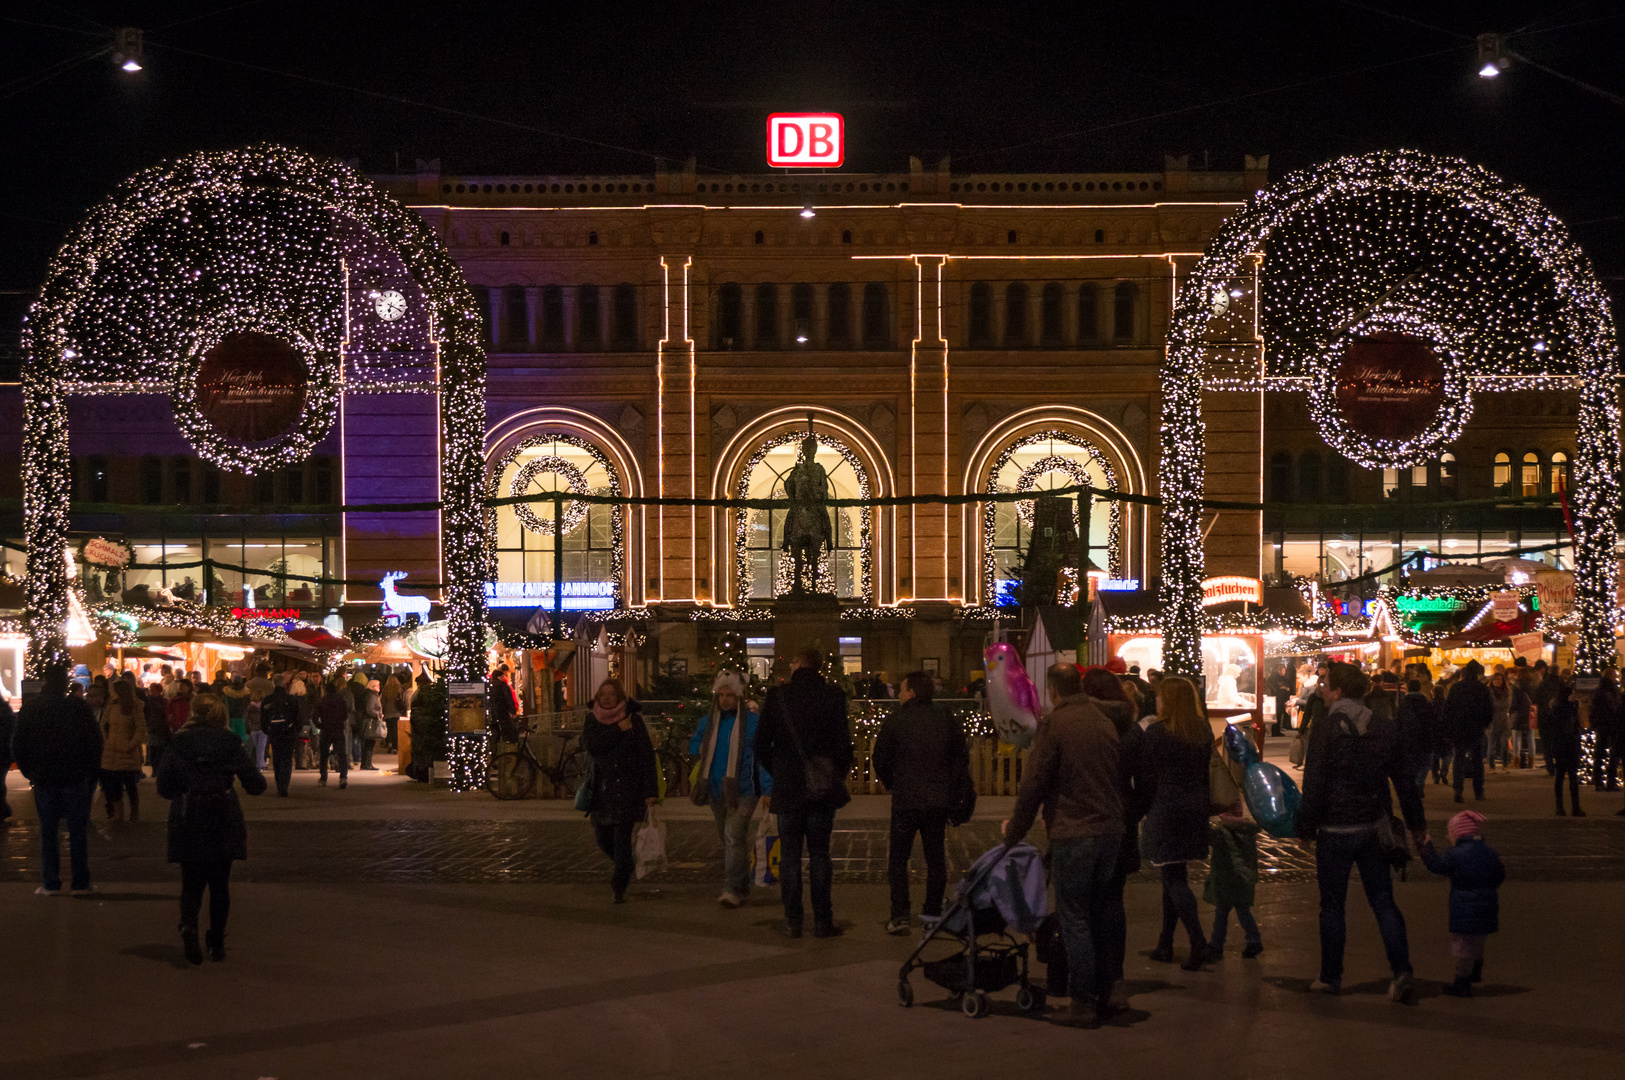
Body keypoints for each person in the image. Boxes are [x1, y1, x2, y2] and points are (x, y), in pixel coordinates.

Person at [1297, 662, 1427, 1002]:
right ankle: (1402, 972)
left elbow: (1314, 782)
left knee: (1332, 906)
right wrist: (1417, 826)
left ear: (1339, 691)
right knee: (1383, 903)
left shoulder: (1325, 728)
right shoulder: (1383, 727)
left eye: (1326, 684)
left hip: (1334, 828)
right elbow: (1405, 782)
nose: (1321, 688)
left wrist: (1305, 828)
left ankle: (1330, 977)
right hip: (1372, 826)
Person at [1003, 662, 1122, 1029]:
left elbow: (1035, 782)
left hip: (1075, 830)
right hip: (1110, 831)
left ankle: (1083, 1001)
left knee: (1075, 918)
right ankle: (1106, 991)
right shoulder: (1104, 721)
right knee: (1101, 913)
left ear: (1053, 690)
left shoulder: (1056, 725)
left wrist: (1014, 832)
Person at [157, 689, 267, 963]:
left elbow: (163, 785)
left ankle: (189, 926)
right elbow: (255, 785)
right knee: (220, 884)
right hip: (221, 814)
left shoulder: (179, 742)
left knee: (191, 882)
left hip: (188, 813)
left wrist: (184, 790)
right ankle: (216, 941)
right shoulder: (229, 742)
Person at [756, 647, 853, 939]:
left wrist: (780, 771)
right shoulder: (833, 696)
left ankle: (793, 920)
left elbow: (761, 744)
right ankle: (823, 921)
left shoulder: (778, 697)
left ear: (797, 665)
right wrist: (832, 773)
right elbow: (844, 746)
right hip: (820, 788)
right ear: (820, 666)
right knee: (820, 854)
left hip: (788, 787)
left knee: (790, 855)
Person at [873, 670, 968, 934]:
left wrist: (891, 782)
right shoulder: (945, 718)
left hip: (906, 799)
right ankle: (932, 913)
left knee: (899, 858)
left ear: (912, 692)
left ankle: (900, 914)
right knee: (935, 858)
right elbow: (960, 756)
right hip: (938, 799)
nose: (899, 695)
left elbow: (880, 757)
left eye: (902, 690)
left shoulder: (897, 720)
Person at [1076, 665, 1148, 1011]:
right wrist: (1128, 813)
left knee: (1080, 906)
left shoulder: (1082, 727)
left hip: (1082, 824)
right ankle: (1113, 977)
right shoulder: (1131, 730)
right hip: (1119, 827)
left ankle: (1087, 982)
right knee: (1112, 903)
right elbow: (1146, 785)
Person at [1141, 676, 1214, 971]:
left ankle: (1198, 942)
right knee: (1173, 874)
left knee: (1173, 879)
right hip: (1195, 806)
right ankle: (1165, 942)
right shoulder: (1202, 730)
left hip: (1167, 808)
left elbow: (1146, 774)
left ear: (1167, 701)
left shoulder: (1157, 733)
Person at [12, 664, 103, 895]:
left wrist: (29, 772)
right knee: (77, 831)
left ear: (45, 680)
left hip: (44, 776)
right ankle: (80, 882)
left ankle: (50, 882)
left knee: (49, 830)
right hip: (74, 776)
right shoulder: (78, 708)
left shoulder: (32, 708)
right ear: (65, 682)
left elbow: (18, 744)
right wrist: (90, 772)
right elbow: (95, 742)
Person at [687, 670, 772, 908]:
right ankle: (742, 885)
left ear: (739, 697)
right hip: (716, 788)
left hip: (744, 788)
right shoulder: (709, 721)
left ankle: (732, 889)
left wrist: (767, 789)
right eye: (721, 694)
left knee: (733, 835)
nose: (724, 699)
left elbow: (763, 758)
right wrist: (700, 748)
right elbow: (695, 744)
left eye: (730, 695)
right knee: (729, 840)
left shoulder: (752, 723)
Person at [581, 679, 658, 903]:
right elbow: (594, 746)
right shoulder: (592, 720)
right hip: (602, 790)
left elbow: (646, 756)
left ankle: (618, 887)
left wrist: (650, 790)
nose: (606, 698)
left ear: (620, 697)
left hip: (628, 789)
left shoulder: (633, 720)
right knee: (602, 837)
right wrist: (617, 730)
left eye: (611, 694)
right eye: (602, 694)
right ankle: (625, 865)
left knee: (621, 839)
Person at [1418, 810, 1505, 997]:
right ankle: (1476, 969)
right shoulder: (1489, 852)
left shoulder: (1455, 854)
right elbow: (1499, 875)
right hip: (1487, 904)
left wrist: (1426, 848)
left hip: (1464, 905)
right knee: (1479, 939)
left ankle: (1462, 982)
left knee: (1464, 944)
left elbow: (1437, 866)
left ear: (1458, 833)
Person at [1204, 808, 1263, 962]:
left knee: (1221, 912)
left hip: (1227, 880)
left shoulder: (1221, 833)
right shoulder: (1247, 831)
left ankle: (1216, 945)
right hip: (1244, 879)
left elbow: (1206, 836)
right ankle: (1254, 940)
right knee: (1243, 911)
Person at [1443, 660, 1492, 803]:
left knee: (1458, 758)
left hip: (1459, 728)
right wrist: (1484, 724)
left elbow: (1448, 709)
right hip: (1476, 728)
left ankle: (1458, 789)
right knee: (1477, 760)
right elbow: (1489, 709)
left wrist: (1449, 727)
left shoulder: (1456, 688)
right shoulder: (1481, 688)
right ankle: (1478, 791)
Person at [98, 678, 146, 821]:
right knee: (113, 785)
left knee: (131, 785)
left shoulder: (135, 706)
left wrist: (130, 745)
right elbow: (103, 725)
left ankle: (134, 813)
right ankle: (118, 814)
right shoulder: (111, 706)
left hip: (127, 753)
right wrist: (106, 741)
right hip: (111, 751)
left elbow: (140, 728)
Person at [261, 675, 303, 797]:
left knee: (277, 758)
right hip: (289, 733)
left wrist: (267, 730)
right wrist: (295, 730)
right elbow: (298, 717)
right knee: (287, 758)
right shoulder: (292, 699)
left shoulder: (268, 700)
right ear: (285, 685)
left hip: (274, 733)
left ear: (274, 684)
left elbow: (263, 717)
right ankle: (284, 785)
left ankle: (280, 784)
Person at [1548, 679, 1585, 817]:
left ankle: (1563, 807)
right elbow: (1571, 727)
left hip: (1563, 745)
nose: (1575, 696)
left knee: (1562, 776)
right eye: (1573, 694)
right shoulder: (1566, 709)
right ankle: (1571, 807)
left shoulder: (1559, 708)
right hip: (1567, 744)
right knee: (1568, 776)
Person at [1396, 679, 1437, 797]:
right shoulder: (1426, 703)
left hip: (1407, 738)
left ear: (1408, 688)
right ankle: (1419, 782)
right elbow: (1432, 720)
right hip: (1424, 737)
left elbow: (1398, 722)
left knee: (1411, 763)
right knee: (1424, 763)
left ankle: (1414, 783)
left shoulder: (1403, 703)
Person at [316, 678, 351, 788]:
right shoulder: (341, 701)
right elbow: (345, 715)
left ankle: (323, 778)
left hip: (326, 728)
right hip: (338, 728)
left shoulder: (322, 700)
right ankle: (343, 777)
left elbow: (314, 715)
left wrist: (319, 725)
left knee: (324, 754)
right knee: (341, 754)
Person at [1590, 669, 1621, 792]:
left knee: (1600, 753)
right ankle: (1610, 781)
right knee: (1613, 754)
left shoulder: (1599, 690)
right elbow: (1613, 708)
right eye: (1615, 675)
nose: (1616, 678)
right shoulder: (1611, 690)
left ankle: (1598, 781)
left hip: (1601, 725)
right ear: (1611, 676)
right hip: (1610, 725)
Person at [1487, 671, 1512, 772]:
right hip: (1492, 721)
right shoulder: (1489, 692)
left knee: (1504, 744)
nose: (1497, 681)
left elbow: (1508, 704)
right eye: (1495, 679)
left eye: (1499, 679)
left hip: (1503, 720)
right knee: (1491, 744)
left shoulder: (1507, 691)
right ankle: (1491, 766)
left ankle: (1505, 765)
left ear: (1503, 681)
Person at [356, 679, 384, 770]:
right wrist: (379, 714)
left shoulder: (369, 694)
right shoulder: (371, 696)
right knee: (369, 743)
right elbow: (369, 709)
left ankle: (365, 764)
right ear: (372, 687)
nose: (379, 687)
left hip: (366, 721)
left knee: (367, 743)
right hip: (369, 722)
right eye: (377, 685)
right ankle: (368, 764)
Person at [1509, 670, 1534, 770]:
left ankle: (1516, 761)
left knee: (1516, 737)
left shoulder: (1516, 688)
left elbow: (1514, 702)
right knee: (1530, 737)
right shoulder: (1532, 686)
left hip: (1519, 714)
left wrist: (1510, 711)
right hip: (1530, 714)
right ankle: (1531, 762)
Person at [381, 673, 405, 754]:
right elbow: (402, 700)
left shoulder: (385, 689)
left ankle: (390, 744)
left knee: (390, 730)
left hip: (388, 713)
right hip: (397, 713)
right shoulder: (399, 688)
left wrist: (383, 712)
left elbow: (382, 702)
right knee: (396, 731)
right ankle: (396, 746)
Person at [0, 694, 14, 822]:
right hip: (4, 752)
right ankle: (3, 808)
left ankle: (3, 808)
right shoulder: (5, 709)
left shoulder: (4, 710)